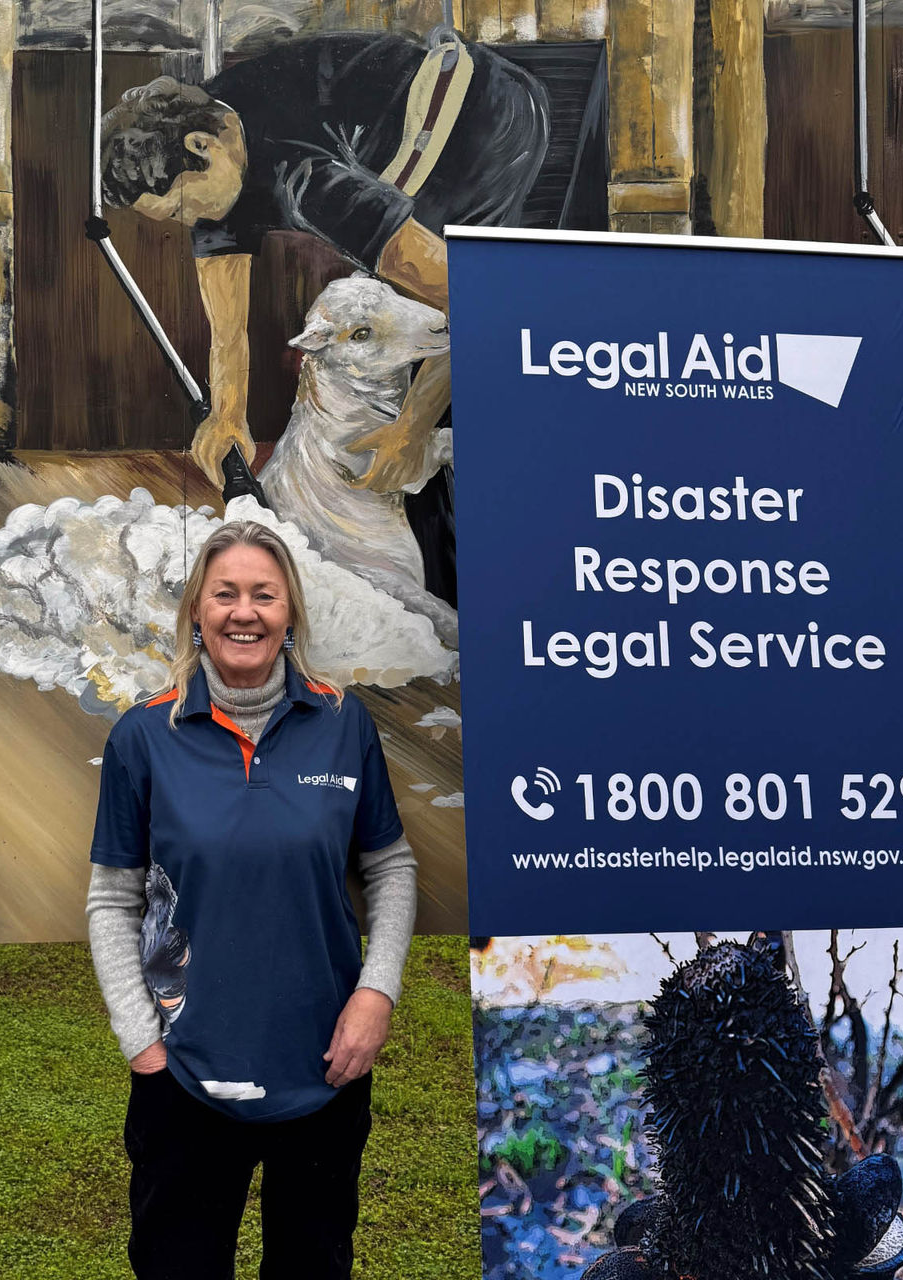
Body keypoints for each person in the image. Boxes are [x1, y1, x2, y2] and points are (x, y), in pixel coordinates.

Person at [86, 518, 418, 1280]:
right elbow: (112, 897)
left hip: (325, 1066)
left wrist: (377, 995)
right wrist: (142, 1040)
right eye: (225, 594)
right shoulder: (145, 734)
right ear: (197, 614)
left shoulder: (341, 722)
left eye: (264, 595)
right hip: (184, 1074)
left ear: (290, 612)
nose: (245, 612)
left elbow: (391, 866)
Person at [99, 32, 549, 495]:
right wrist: (227, 416)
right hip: (402, 133)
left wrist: (411, 432)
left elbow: (472, 300)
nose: (188, 222)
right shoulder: (213, 145)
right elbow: (228, 332)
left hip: (479, 112)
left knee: (437, 333)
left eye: (179, 209)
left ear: (201, 147)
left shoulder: (307, 183)